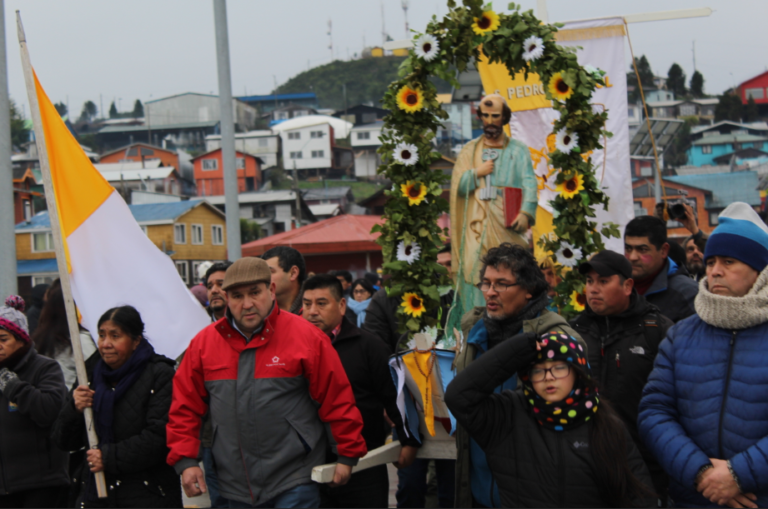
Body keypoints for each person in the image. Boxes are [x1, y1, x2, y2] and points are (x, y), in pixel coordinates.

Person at [167, 257, 367, 508]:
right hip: (232, 483)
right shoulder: (204, 343)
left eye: (255, 293)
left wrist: (347, 454)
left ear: (271, 291)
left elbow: (336, 398)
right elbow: (184, 406)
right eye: (237, 296)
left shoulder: (306, 337)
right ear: (227, 298)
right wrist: (186, 461)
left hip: (294, 478)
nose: (247, 304)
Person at [639, 202, 768, 508]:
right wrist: (700, 473)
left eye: (729, 261)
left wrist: (739, 475)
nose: (715, 271)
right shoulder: (682, 335)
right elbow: (654, 412)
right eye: (711, 262)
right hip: (694, 497)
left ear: (759, 271)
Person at [446, 330, 655, 507]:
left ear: (578, 371)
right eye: (538, 370)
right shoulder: (506, 415)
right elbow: (458, 396)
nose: (548, 377)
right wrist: (520, 347)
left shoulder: (605, 423)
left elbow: (638, 495)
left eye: (559, 367)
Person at [453, 242, 584, 508]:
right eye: (486, 284)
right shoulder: (474, 334)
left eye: (501, 284)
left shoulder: (558, 339)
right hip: (478, 492)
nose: (490, 292)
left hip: (533, 494)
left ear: (529, 290)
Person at [301, 275, 420, 508]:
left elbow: (393, 395)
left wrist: (409, 440)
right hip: (307, 466)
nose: (312, 311)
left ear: (342, 305)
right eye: (307, 304)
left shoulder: (369, 345)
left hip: (363, 461)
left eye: (321, 303)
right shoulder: (294, 347)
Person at [569, 250, 673, 504]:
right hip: (585, 467)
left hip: (646, 469)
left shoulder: (658, 330)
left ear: (627, 286)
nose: (593, 289)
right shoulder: (572, 332)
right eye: (590, 281)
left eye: (603, 281)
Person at [52, 305, 181, 508]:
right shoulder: (89, 376)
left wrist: (109, 457)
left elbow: (160, 437)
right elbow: (63, 440)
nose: (106, 344)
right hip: (95, 493)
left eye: (115, 336)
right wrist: (74, 409)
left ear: (136, 341)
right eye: (102, 335)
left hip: (147, 492)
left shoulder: (160, 375)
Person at [450, 94, 538, 311]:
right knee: (474, 271)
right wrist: (476, 173)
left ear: (504, 118)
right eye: (485, 116)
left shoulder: (518, 149)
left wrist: (525, 213)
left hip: (505, 221)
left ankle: (513, 317)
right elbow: (458, 188)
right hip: (475, 226)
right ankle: (475, 321)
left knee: (513, 270)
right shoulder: (469, 150)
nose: (490, 121)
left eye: (495, 116)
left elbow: (529, 182)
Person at [0, 297, 69, 508]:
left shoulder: (45, 368)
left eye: (3, 339)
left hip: (41, 485)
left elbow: (50, 411)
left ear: (21, 339)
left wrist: (13, 387)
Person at [200, 260, 233, 508]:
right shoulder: (197, 331)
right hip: (212, 440)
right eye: (210, 285)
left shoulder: (254, 327)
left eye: (221, 284)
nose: (214, 290)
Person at [624, 216, 699, 323]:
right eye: (628, 249)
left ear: (664, 250)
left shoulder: (687, 294)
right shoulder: (616, 288)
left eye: (643, 250)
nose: (632, 257)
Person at [31, 279, 97, 389]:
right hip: (72, 400)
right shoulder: (79, 340)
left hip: (49, 398)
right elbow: (96, 371)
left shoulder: (40, 338)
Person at [263, 246, 307, 314]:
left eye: (270, 272)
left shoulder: (314, 309)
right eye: (263, 273)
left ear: (293, 273)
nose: (263, 277)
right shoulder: (261, 311)